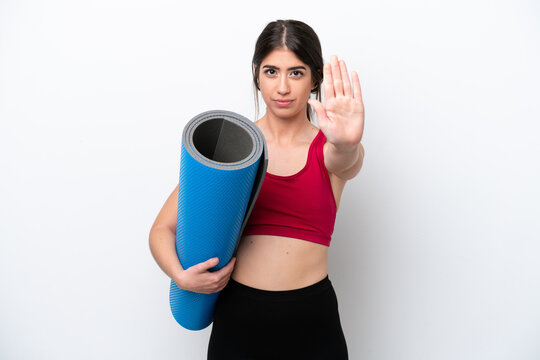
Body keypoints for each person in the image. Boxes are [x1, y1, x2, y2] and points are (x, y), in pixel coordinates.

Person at [149, 19, 365, 360]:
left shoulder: (331, 146)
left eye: (296, 72)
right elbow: (162, 228)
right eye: (271, 71)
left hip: (312, 319)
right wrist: (181, 277)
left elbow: (347, 162)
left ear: (314, 79)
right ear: (256, 73)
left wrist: (349, 143)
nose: (282, 87)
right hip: (240, 317)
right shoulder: (236, 148)